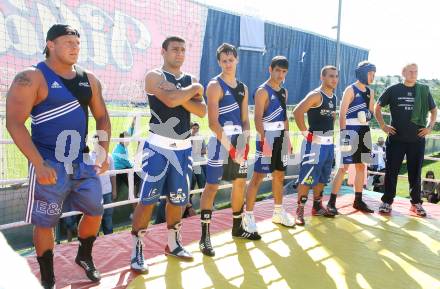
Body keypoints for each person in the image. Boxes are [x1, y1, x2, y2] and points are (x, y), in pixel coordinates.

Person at [6, 24, 111, 288]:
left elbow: (102, 116)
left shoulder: (89, 78)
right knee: (45, 221)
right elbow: (15, 123)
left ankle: (84, 256)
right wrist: (38, 163)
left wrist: (102, 150)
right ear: (50, 44)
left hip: (82, 161)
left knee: (96, 211)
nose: (75, 48)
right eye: (68, 43)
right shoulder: (32, 77)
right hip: (49, 162)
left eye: (77, 43)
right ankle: (48, 275)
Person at [130, 36, 206, 274]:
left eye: (183, 50)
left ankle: (173, 243)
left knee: (179, 200)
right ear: (163, 51)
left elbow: (202, 111)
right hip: (158, 147)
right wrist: (192, 91)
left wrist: (179, 96)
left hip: (183, 149)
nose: (180, 54)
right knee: (147, 200)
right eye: (175, 49)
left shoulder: (189, 78)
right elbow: (171, 100)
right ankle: (137, 249)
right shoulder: (154, 76)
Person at [199, 43, 261, 257]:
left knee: (239, 184)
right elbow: (213, 123)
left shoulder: (243, 88)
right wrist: (231, 149)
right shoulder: (214, 85)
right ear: (219, 62)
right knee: (212, 186)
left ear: (236, 60)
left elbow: (245, 119)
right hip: (219, 141)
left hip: (238, 139)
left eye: (231, 60)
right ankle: (205, 237)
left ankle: (237, 228)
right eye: (224, 61)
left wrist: (245, 140)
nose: (227, 64)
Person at [375, 63, 437, 217]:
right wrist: (383, 125)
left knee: (415, 173)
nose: (413, 74)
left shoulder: (423, 90)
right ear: (403, 72)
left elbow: (434, 110)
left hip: (417, 140)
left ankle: (416, 203)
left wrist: (429, 128)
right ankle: (387, 202)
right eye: (410, 71)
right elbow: (378, 106)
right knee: (391, 171)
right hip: (396, 139)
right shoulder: (394, 89)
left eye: (416, 71)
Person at [243, 56, 295, 234]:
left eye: (284, 72)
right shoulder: (262, 91)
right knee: (258, 177)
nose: (280, 75)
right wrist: (264, 141)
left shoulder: (283, 91)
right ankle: (248, 215)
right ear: (270, 69)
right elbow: (257, 118)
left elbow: (285, 117)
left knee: (279, 175)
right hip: (266, 136)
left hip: (280, 136)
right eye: (278, 71)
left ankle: (278, 213)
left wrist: (288, 139)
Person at [326, 61, 376, 215]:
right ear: (362, 73)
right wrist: (343, 134)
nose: (372, 77)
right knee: (343, 167)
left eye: (374, 74)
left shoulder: (370, 92)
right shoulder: (350, 89)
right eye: (370, 73)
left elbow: (371, 112)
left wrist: (367, 115)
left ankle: (358, 200)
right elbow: (342, 113)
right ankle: (331, 202)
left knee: (361, 166)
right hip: (349, 130)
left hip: (364, 130)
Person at [292, 65, 339, 226]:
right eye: (331, 76)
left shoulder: (333, 97)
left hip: (328, 144)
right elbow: (297, 112)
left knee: (322, 177)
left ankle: (317, 206)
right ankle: (299, 211)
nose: (334, 79)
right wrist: (306, 133)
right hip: (314, 145)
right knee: (307, 178)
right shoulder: (316, 95)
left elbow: (332, 117)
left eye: (336, 76)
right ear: (322, 77)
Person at [89, 135, 117, 235]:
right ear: (92, 143)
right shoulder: (88, 158)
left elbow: (113, 175)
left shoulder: (109, 156)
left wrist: (114, 190)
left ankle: (109, 238)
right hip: (93, 194)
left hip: (107, 192)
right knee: (94, 218)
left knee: (108, 216)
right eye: (95, 142)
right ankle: (94, 240)